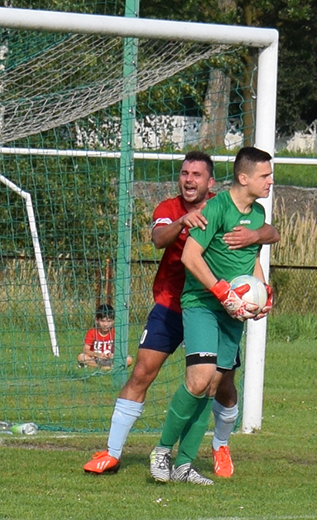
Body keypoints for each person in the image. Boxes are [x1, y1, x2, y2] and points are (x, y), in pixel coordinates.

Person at [83, 150, 278, 476]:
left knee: (222, 384)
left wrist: (256, 240)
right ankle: (113, 452)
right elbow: (159, 239)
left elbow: (266, 233)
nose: (189, 179)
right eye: (184, 173)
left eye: (196, 175)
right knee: (143, 372)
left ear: (211, 181)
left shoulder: (232, 207)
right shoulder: (172, 209)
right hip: (175, 303)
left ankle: (216, 446)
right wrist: (182, 222)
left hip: (222, 308)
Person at [148, 146, 275, 485]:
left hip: (232, 313)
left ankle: (185, 465)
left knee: (214, 385)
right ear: (243, 177)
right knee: (199, 379)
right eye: (265, 176)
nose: (270, 181)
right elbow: (190, 256)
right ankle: (162, 451)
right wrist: (222, 292)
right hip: (202, 303)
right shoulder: (215, 208)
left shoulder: (258, 215)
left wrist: (263, 295)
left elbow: (252, 261)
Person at [78, 303, 133, 370]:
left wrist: (114, 355)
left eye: (109, 321)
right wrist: (96, 354)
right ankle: (103, 367)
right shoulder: (92, 332)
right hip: (96, 359)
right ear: (96, 320)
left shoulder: (116, 333)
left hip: (111, 360)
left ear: (113, 321)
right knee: (81, 357)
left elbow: (123, 350)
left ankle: (107, 367)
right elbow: (85, 350)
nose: (106, 324)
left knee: (129, 359)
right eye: (102, 321)